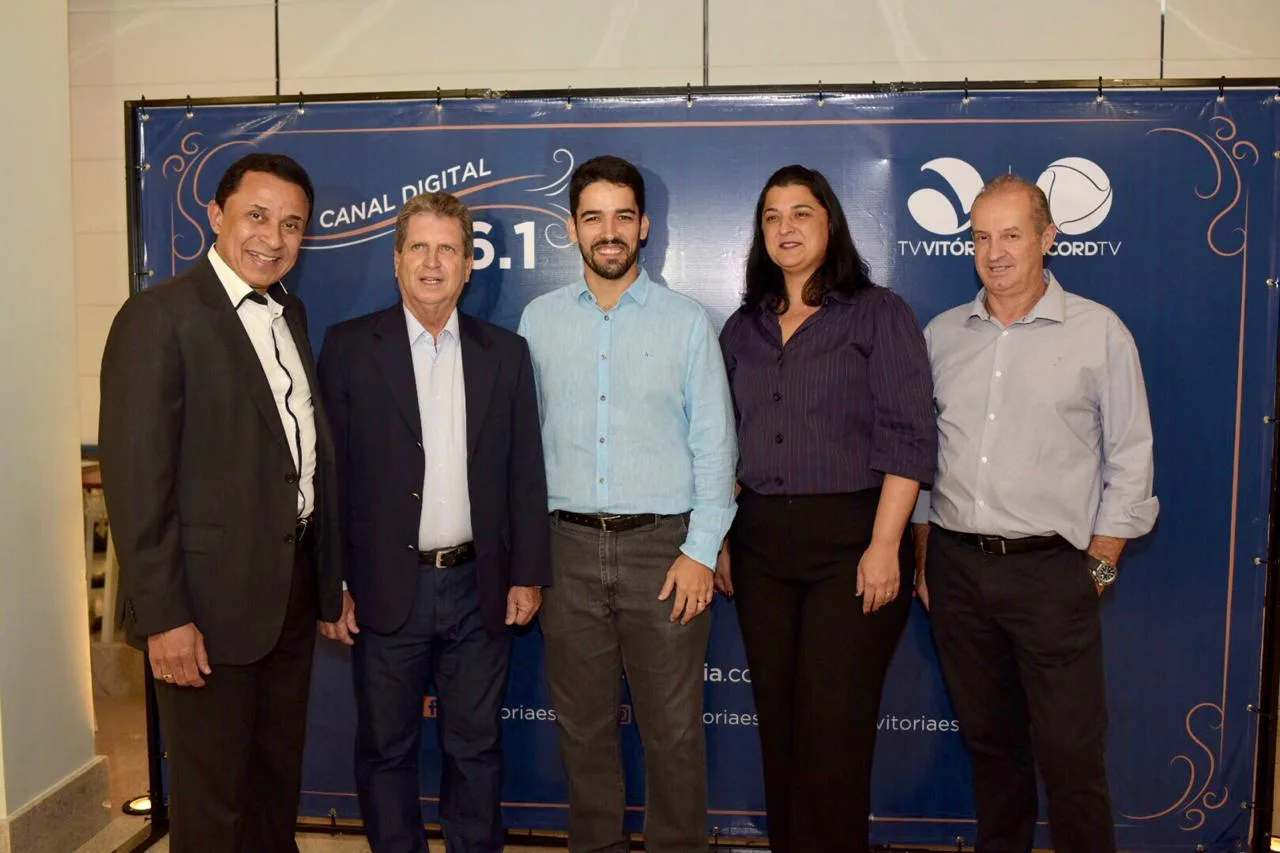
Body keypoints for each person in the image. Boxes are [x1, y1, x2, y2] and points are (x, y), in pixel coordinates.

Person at [99, 152, 343, 852]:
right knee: (212, 808)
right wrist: (166, 616)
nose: (273, 237)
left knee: (273, 788)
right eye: (257, 216)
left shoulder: (289, 313)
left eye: (292, 224)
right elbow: (137, 483)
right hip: (201, 611)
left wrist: (325, 583)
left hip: (285, 598)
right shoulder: (159, 317)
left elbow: (299, 459)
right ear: (215, 215)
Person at [913, 174, 1159, 853]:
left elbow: (1131, 458)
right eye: (981, 236)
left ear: (1048, 239)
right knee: (992, 751)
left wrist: (1099, 567)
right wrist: (927, 551)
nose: (995, 252)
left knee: (1071, 758)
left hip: (1055, 574)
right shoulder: (942, 336)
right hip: (958, 572)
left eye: (1012, 234)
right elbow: (925, 455)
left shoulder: (1098, 332)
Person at [316, 191, 551, 853]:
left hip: (480, 586)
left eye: (447, 248)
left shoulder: (504, 353)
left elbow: (525, 472)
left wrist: (528, 573)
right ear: (396, 261)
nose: (432, 262)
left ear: (468, 265)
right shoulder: (349, 347)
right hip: (385, 587)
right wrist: (329, 581)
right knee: (387, 751)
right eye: (418, 247)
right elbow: (327, 481)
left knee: (475, 749)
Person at [517, 155, 737, 853]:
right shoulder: (538, 320)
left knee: (672, 733)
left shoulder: (685, 322)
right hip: (566, 549)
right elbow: (523, 451)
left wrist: (701, 552)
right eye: (592, 217)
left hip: (664, 552)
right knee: (583, 732)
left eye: (622, 217)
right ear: (571, 228)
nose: (608, 232)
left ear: (644, 226)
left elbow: (716, 448)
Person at [716, 164, 936, 853]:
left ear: (830, 223)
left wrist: (884, 544)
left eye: (801, 213)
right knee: (780, 725)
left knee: (832, 729)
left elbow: (911, 435)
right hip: (760, 549)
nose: (786, 227)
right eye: (773, 215)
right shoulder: (742, 328)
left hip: (856, 541)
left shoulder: (878, 312)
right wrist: (719, 537)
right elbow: (719, 442)